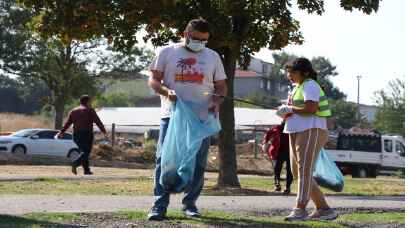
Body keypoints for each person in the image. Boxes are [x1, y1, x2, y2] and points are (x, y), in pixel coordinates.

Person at [147, 18, 227, 221]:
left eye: (204, 40)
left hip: (201, 118)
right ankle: (159, 205)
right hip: (172, 116)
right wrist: (167, 91)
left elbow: (221, 86)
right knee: (165, 160)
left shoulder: (213, 56)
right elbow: (153, 80)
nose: (199, 43)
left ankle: (190, 204)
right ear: (185, 33)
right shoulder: (167, 52)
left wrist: (217, 101)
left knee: (198, 162)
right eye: (196, 38)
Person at [277, 58, 338, 221]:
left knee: (304, 170)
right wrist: (286, 111)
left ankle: (300, 209)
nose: (289, 75)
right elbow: (298, 109)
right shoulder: (297, 86)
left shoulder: (310, 85)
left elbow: (310, 109)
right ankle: (324, 209)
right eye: (288, 71)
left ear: (305, 72)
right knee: (297, 172)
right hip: (295, 129)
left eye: (293, 72)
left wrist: (290, 109)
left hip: (311, 130)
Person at [56, 95, 108, 175]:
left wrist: (62, 132)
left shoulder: (73, 111)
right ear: (87, 102)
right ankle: (75, 164)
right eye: (90, 102)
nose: (91, 103)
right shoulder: (90, 110)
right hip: (87, 134)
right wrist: (104, 132)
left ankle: (86, 170)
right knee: (86, 152)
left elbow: (68, 123)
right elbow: (98, 122)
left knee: (84, 152)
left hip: (76, 135)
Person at [262, 122, 292, 195]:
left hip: (290, 153)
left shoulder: (293, 128)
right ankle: (277, 184)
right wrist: (265, 143)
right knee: (277, 169)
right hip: (279, 152)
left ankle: (287, 187)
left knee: (289, 170)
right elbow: (268, 133)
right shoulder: (277, 128)